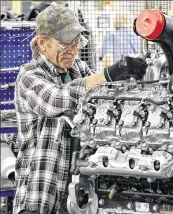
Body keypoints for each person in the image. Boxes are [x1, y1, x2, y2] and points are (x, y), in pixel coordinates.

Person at [12, 3, 147, 214]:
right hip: (40, 196)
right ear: (42, 42)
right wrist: (108, 74)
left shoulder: (79, 69)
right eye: (65, 44)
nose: (73, 51)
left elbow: (104, 100)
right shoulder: (28, 76)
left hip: (77, 196)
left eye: (76, 43)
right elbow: (57, 98)